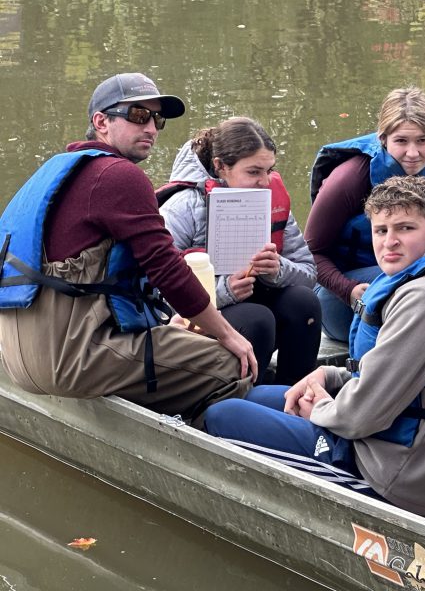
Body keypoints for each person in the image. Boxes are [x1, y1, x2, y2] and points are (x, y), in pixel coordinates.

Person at [205, 175, 425, 517]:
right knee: (256, 396)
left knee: (223, 415)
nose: (390, 242)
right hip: (419, 455)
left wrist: (320, 410)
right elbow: (393, 376)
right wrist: (328, 375)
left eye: (406, 228)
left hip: (401, 477)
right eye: (381, 231)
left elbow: (360, 415)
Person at [0, 72, 256, 423]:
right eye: (138, 115)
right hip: (67, 358)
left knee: (177, 337)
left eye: (157, 119)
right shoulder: (118, 176)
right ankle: (191, 452)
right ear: (101, 121)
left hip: (16, 359)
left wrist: (166, 320)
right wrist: (227, 334)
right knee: (230, 363)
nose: (151, 127)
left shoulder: (54, 173)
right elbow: (167, 268)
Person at [158, 117, 321, 385]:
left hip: (252, 306)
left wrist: (278, 270)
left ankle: (293, 394)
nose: (265, 181)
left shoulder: (271, 201)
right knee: (257, 319)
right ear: (221, 166)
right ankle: (232, 401)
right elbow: (157, 291)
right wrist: (225, 292)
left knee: (304, 304)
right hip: (197, 319)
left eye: (269, 170)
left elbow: (309, 273)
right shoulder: (182, 207)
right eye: (254, 172)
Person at [306, 87, 425, 343]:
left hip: (417, 284)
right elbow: (310, 254)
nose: (412, 153)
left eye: (423, 140)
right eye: (401, 141)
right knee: (418, 280)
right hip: (342, 295)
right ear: (383, 139)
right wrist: (347, 290)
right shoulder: (350, 179)